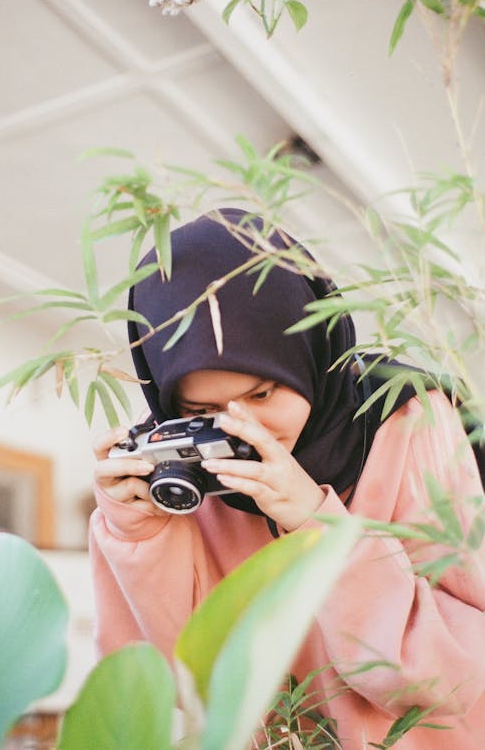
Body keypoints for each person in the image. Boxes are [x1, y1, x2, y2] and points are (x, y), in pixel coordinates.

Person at [90, 208, 485, 750]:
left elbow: (447, 679)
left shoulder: (405, 418)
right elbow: (176, 691)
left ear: (311, 356)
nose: (244, 428)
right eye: (203, 410)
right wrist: (137, 537)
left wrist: (316, 525)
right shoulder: (173, 466)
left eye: (262, 394)